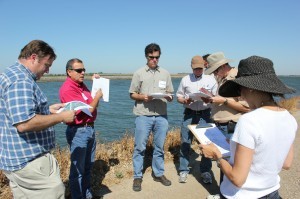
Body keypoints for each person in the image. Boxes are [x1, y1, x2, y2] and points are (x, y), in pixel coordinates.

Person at [200, 55, 297, 199]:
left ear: (250, 88)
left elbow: (237, 179)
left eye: (240, 90)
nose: (241, 96)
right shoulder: (289, 118)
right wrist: (234, 145)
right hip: (272, 192)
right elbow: (286, 163)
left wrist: (217, 156)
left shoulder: (248, 121)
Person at [0, 40, 75, 199]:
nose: (47, 71)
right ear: (33, 57)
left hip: (16, 160)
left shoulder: (11, 74)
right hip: (30, 161)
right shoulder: (21, 81)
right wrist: (61, 116)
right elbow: (24, 123)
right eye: (46, 65)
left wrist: (47, 110)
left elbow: (15, 113)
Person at [129, 43, 174, 192]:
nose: (154, 60)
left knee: (159, 147)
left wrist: (168, 96)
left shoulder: (166, 73)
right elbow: (132, 94)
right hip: (143, 115)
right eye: (151, 57)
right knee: (139, 147)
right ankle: (137, 176)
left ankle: (158, 173)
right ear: (146, 56)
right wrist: (143, 97)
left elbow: (171, 94)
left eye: (157, 57)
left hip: (161, 115)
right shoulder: (139, 73)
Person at [59, 58, 103, 199]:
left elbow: (89, 101)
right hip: (78, 131)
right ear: (69, 72)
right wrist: (97, 97)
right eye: (79, 70)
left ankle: (87, 195)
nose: (82, 72)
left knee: (88, 167)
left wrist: (96, 83)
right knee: (78, 170)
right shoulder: (67, 89)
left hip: (89, 129)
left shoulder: (81, 86)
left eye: (84, 70)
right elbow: (89, 107)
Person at [176, 55, 218, 184]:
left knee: (205, 143)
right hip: (189, 113)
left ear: (204, 66)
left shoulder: (211, 80)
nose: (198, 71)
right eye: (195, 69)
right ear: (191, 67)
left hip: (205, 114)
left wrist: (209, 99)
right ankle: (183, 170)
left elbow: (216, 97)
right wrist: (184, 100)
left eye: (200, 68)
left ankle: (205, 171)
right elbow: (179, 96)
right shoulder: (185, 80)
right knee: (185, 141)